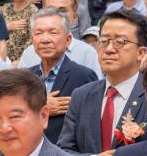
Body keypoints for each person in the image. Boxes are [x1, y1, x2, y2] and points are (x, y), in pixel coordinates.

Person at [57, 8, 147, 156]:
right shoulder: (81, 95)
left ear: (141, 52)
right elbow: (63, 152)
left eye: (120, 42)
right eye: (104, 41)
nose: (109, 49)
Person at [24, 8, 97, 143]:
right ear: (32, 40)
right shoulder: (24, 77)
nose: (45, 39)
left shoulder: (83, 76)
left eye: (53, 32)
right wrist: (40, 107)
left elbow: (88, 126)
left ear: (68, 40)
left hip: (65, 155)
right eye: (39, 33)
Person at [18, 0, 103, 78]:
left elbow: (94, 88)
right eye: (50, 11)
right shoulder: (30, 52)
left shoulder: (87, 53)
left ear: (74, 17)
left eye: (62, 11)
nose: (56, 15)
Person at [1, 0, 38, 65]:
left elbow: (33, 41)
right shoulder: (5, 8)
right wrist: (7, 27)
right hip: (1, 59)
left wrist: (19, 62)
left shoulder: (34, 12)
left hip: (24, 63)